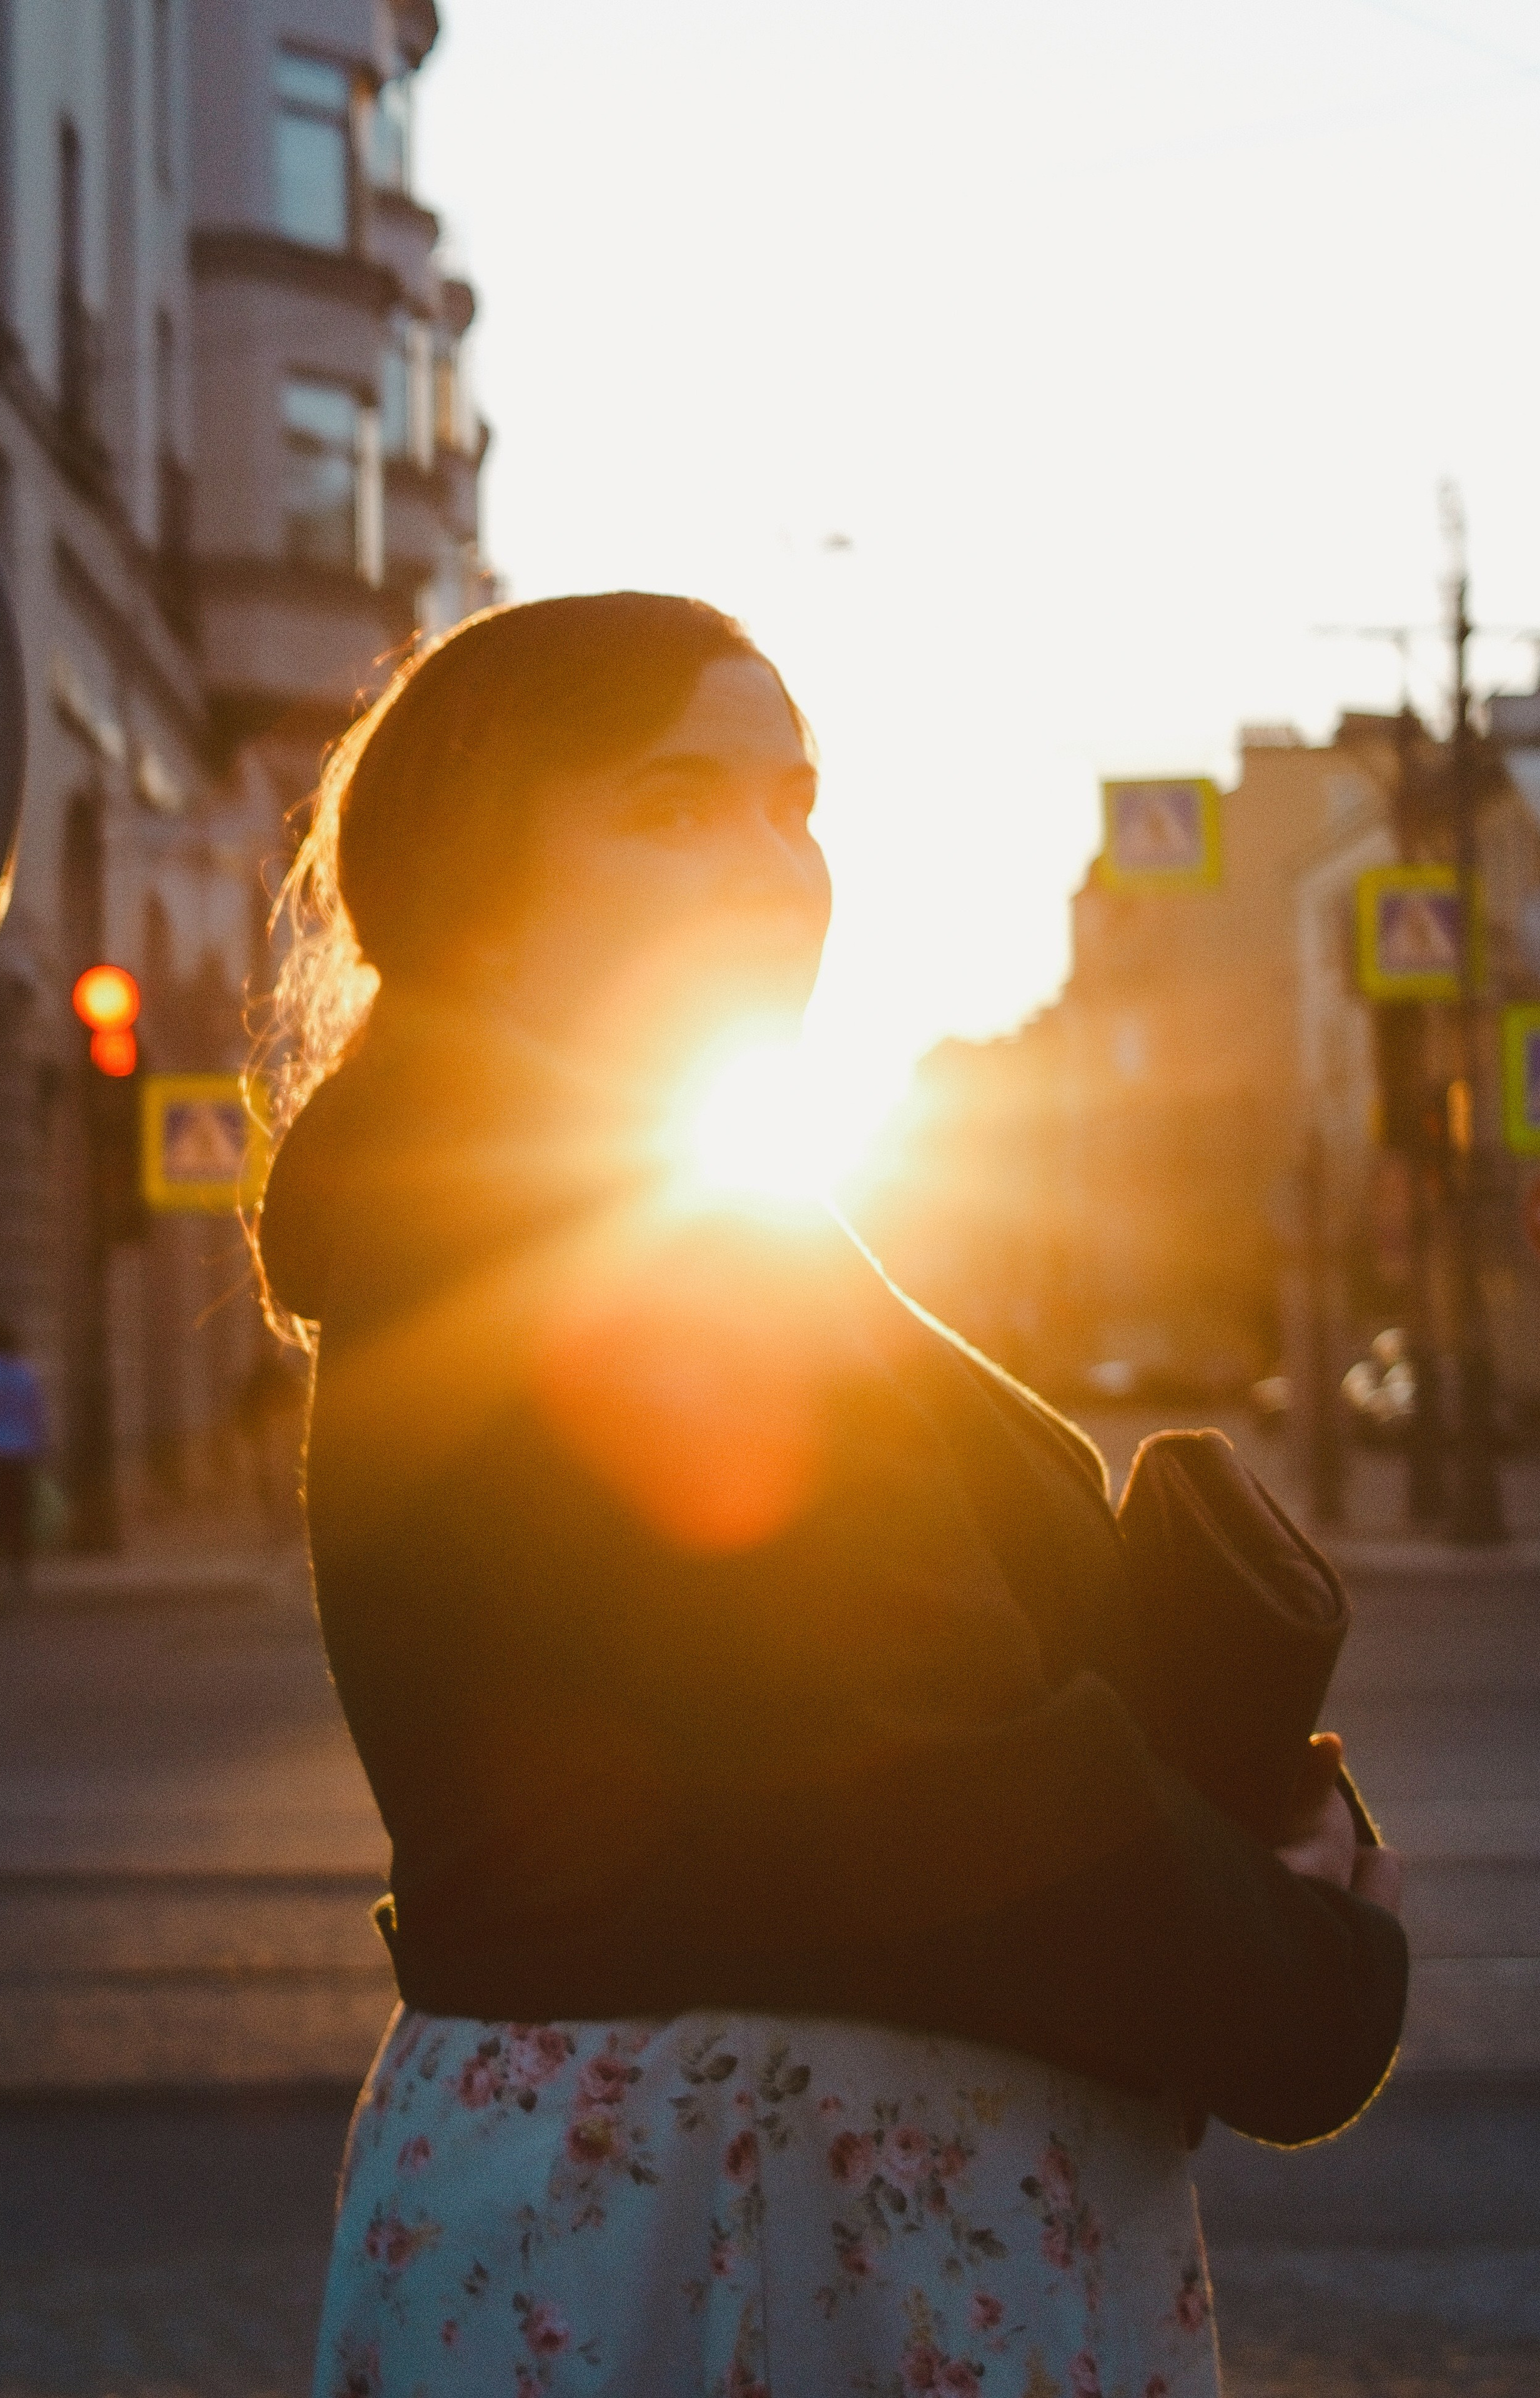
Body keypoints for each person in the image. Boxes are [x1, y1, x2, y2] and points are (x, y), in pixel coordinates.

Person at [254, 595, 1406, 2398]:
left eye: (792, 801)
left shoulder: (607, 1209)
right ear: (485, 881)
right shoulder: (583, 1242)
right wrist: (1319, 1965)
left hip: (722, 2214)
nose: (778, 869)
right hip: (751, 2247)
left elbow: (854, 1717)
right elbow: (939, 1789)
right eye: (673, 806)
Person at [0, 1318, 47, 1616]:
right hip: (20, 1454)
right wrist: (41, 1450)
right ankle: (20, 1578)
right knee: (17, 1517)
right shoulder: (25, 1374)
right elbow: (37, 1415)